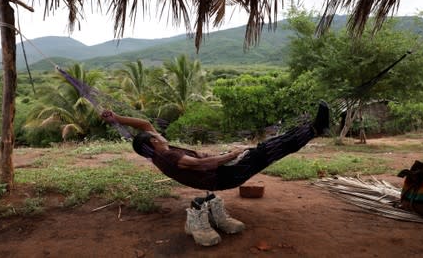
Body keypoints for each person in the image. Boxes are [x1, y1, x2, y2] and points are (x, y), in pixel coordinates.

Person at [101, 100, 330, 246]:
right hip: (225, 175)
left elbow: (143, 125)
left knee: (269, 150)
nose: (160, 133)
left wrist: (116, 118)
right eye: (156, 135)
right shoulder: (168, 156)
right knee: (269, 149)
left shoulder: (155, 151)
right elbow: (204, 165)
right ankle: (315, 129)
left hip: (221, 172)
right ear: (153, 141)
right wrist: (231, 155)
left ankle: (313, 129)